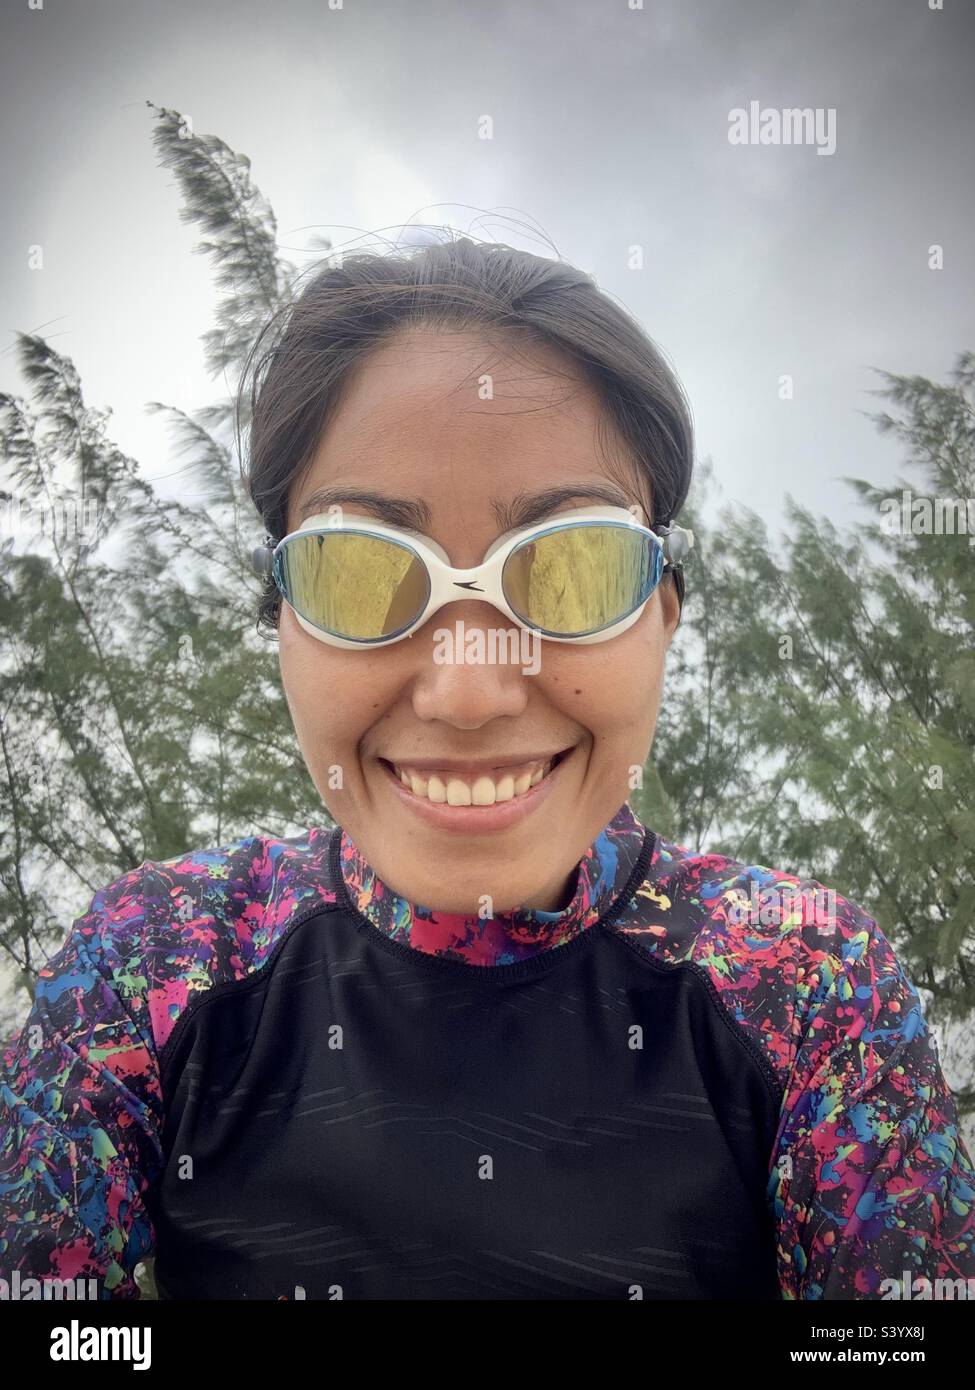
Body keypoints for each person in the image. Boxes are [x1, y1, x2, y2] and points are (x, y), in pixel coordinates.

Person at [1, 238, 972, 1301]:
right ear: (279, 624)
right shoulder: (149, 967)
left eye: (571, 568)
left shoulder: (809, 982)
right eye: (360, 571)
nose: (469, 691)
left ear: (663, 616)